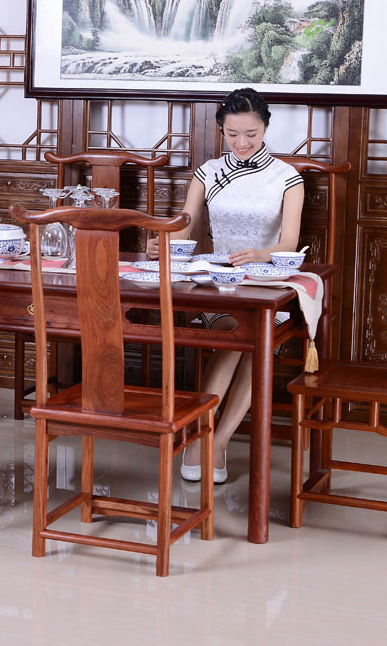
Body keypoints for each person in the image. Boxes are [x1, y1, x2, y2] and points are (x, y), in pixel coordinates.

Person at [147, 87, 305, 483]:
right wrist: (162, 242)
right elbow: (185, 226)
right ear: (222, 130)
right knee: (240, 334)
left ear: (265, 128)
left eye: (251, 133)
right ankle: (204, 435)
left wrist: (261, 254)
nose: (242, 142)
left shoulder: (287, 177)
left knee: (257, 337)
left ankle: (215, 441)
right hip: (219, 281)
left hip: (266, 282)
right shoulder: (209, 172)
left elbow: (289, 242)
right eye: (233, 134)